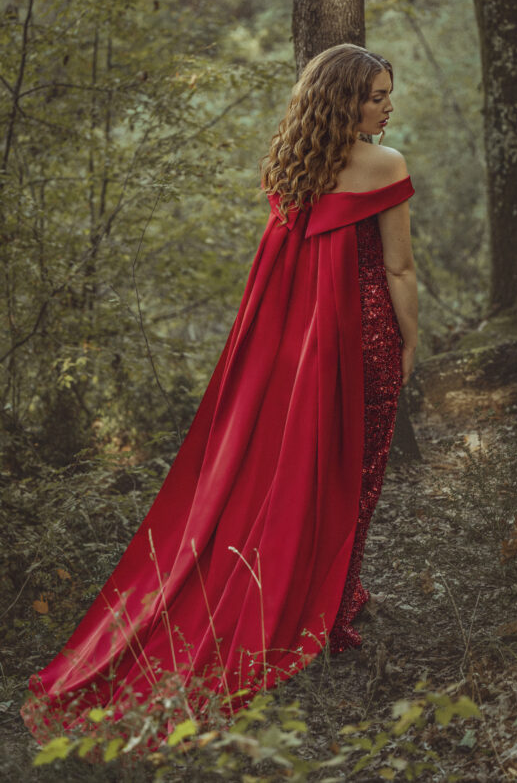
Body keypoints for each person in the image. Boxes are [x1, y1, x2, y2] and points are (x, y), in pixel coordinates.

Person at [22, 43, 418, 744]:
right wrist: (411, 339)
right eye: (377, 96)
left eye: (389, 94)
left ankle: (327, 596)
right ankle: (324, 609)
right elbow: (400, 266)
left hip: (296, 352)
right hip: (365, 340)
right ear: (345, 101)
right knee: (353, 474)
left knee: (301, 474)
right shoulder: (384, 164)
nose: (388, 107)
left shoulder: (296, 164)